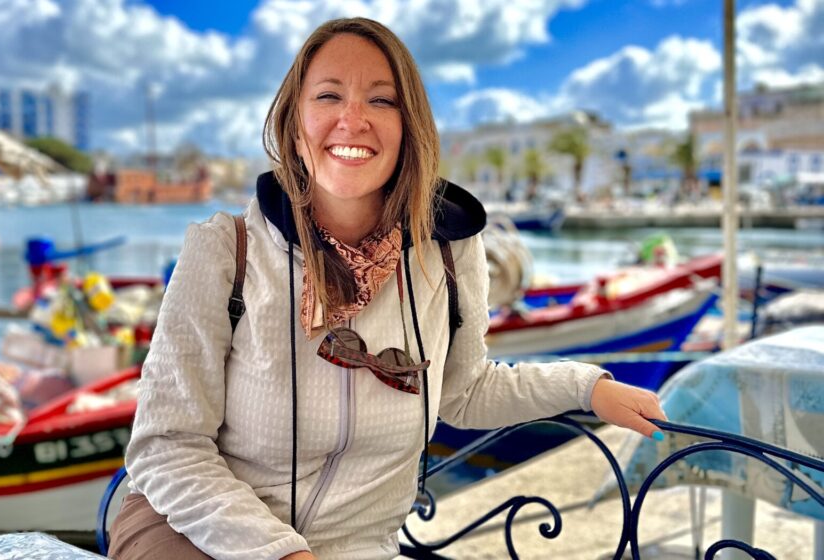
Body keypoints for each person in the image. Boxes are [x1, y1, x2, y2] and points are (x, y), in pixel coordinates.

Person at [110, 17, 667, 560]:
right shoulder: (225, 252)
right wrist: (280, 553)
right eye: (328, 96)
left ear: (409, 126)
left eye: (381, 100)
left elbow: (464, 391)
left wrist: (589, 389)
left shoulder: (449, 251)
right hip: (195, 533)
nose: (353, 120)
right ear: (293, 124)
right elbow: (167, 447)